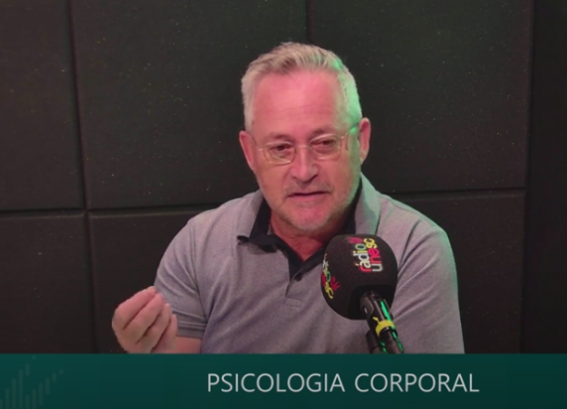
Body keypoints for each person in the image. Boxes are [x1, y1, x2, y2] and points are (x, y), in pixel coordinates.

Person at [111, 42, 465, 353]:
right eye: (280, 148)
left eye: (324, 143)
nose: (303, 170)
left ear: (361, 141)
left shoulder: (413, 246)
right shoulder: (199, 243)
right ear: (250, 153)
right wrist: (153, 363)